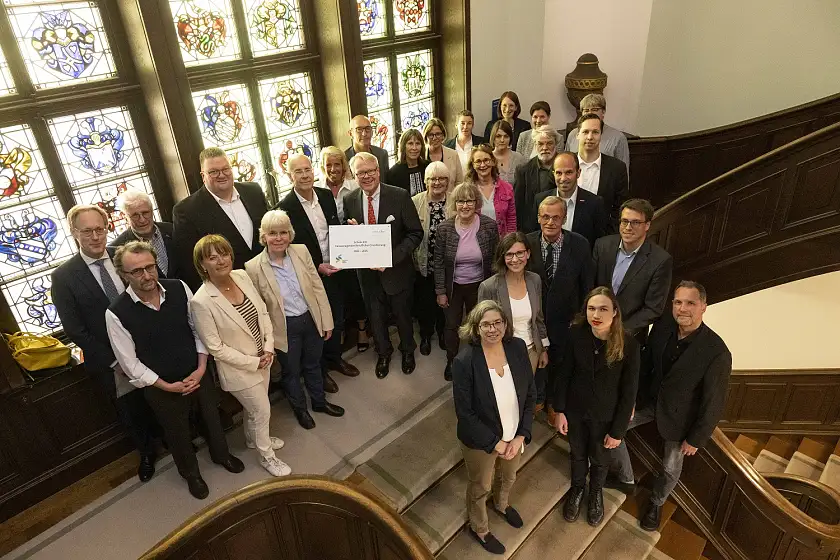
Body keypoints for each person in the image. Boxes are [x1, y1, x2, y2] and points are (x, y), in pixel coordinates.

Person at [104, 241, 244, 500]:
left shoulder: (179, 288)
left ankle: (222, 455)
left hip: (197, 372)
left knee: (211, 418)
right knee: (176, 433)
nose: (146, 275)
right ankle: (191, 474)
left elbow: (199, 329)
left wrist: (202, 367)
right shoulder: (116, 313)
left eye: (150, 267)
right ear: (123, 275)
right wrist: (166, 386)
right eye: (137, 271)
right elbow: (129, 363)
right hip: (161, 387)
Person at [609, 281, 731, 532]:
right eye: (678, 302)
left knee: (670, 467)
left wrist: (696, 438)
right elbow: (645, 365)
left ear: (703, 307)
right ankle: (627, 478)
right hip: (649, 401)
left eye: (690, 303)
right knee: (613, 428)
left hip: (682, 418)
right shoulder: (663, 326)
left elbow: (714, 401)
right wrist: (630, 400)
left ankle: (656, 502)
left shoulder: (717, 352)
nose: (682, 308)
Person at [52, 205, 159, 483]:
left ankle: (173, 439)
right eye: (87, 231)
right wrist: (116, 360)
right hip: (109, 360)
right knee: (131, 410)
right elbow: (75, 329)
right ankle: (146, 453)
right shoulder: (64, 277)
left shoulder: (122, 256)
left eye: (100, 229)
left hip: (147, 346)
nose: (96, 236)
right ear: (74, 232)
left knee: (158, 397)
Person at [190, 235, 291, 478]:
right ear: (203, 264)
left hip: (263, 358)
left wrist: (268, 346)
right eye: (212, 257)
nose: (220, 260)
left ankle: (251, 439)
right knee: (261, 410)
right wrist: (254, 361)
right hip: (240, 370)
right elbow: (216, 348)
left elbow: (262, 312)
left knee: (254, 409)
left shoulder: (242, 276)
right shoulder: (201, 301)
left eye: (223, 254)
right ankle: (267, 456)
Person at [245, 210, 345, 430]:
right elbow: (259, 309)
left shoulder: (301, 251)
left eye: (283, 232)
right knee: (291, 372)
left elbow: (317, 286)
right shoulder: (252, 267)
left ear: (290, 234)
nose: (279, 238)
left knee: (314, 364)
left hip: (311, 319)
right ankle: (300, 410)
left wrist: (326, 320)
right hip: (284, 328)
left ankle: (319, 402)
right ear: (264, 236)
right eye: (273, 233)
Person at [452, 300, 536, 556]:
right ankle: (479, 528)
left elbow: (530, 395)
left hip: (514, 434)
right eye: (485, 324)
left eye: (498, 322)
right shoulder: (465, 361)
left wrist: (521, 434)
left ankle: (501, 504)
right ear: (475, 328)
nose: (492, 329)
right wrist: (496, 444)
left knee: (508, 477)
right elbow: (465, 414)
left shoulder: (518, 347)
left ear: (506, 324)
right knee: (480, 487)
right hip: (481, 440)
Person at [553, 287, 639, 526]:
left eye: (603, 308)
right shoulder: (576, 334)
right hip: (576, 411)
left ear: (615, 313)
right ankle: (578, 488)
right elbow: (564, 374)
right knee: (578, 454)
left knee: (600, 459)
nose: (596, 314)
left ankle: (595, 493)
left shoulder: (629, 344)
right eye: (591, 308)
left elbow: (629, 392)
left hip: (606, 417)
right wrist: (559, 410)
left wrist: (618, 431)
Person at [277, 153, 360, 390]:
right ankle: (320, 370)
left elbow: (331, 230)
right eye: (298, 171)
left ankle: (335, 359)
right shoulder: (285, 208)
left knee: (337, 318)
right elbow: (287, 250)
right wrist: (316, 266)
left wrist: (350, 231)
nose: (304, 175)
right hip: (310, 275)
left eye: (307, 169)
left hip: (335, 269)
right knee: (317, 325)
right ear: (289, 175)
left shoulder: (324, 195)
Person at [343, 152, 424, 378]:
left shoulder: (399, 196)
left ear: (378, 171)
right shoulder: (349, 199)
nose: (366, 176)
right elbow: (347, 234)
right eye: (361, 173)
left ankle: (408, 350)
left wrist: (390, 258)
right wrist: (351, 233)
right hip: (367, 276)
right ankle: (383, 353)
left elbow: (416, 233)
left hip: (397, 272)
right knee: (375, 317)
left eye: (370, 171)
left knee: (403, 317)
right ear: (354, 175)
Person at [526, 196, 594, 418]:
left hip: (566, 320)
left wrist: (581, 320)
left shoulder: (580, 245)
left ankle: (554, 402)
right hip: (535, 320)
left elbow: (587, 286)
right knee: (537, 361)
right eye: (545, 216)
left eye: (556, 217)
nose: (550, 222)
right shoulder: (527, 243)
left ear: (564, 218)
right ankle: (538, 398)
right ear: (538, 217)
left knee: (561, 363)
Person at [173, 147, 269, 290]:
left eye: (225, 169)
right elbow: (191, 264)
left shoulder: (253, 191)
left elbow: (269, 231)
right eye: (213, 172)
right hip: (228, 288)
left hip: (268, 277)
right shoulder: (186, 211)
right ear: (203, 175)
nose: (221, 175)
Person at [435, 182, 499, 380]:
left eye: (469, 201)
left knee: (479, 324)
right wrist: (440, 291)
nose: (465, 206)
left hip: (480, 285)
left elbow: (497, 258)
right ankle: (452, 360)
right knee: (451, 324)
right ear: (455, 203)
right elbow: (438, 262)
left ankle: (478, 359)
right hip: (453, 286)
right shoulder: (444, 229)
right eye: (461, 201)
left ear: (476, 203)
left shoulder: (489, 226)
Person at [593, 199, 673, 345]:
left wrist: (618, 331)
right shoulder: (602, 245)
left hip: (628, 338)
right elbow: (591, 287)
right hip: (594, 330)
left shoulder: (660, 260)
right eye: (624, 221)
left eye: (635, 222)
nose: (628, 227)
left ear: (647, 225)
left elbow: (653, 308)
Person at [319, 146, 370, 354]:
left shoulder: (353, 187)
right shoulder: (316, 190)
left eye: (337, 164)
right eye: (328, 165)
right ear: (323, 167)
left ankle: (362, 329)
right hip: (328, 251)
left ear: (344, 166)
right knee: (334, 295)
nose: (333, 169)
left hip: (353, 248)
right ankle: (337, 330)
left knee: (356, 291)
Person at [478, 232, 549, 374]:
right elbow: (481, 327)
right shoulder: (489, 287)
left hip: (531, 351)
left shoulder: (535, 280)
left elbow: (538, 318)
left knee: (526, 394)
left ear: (528, 254)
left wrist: (543, 349)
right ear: (502, 257)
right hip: (502, 353)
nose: (515, 259)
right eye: (509, 254)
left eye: (520, 253)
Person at [412, 162, 450, 356]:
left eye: (442, 178)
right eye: (432, 179)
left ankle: (443, 333)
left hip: (448, 265)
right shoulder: (415, 201)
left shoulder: (454, 201)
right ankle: (426, 334)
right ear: (426, 181)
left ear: (448, 181)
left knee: (444, 302)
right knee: (425, 302)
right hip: (423, 262)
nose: (437, 182)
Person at [531, 152, 608, 246]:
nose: (563, 178)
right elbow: (534, 235)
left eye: (568, 172)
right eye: (559, 173)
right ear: (553, 174)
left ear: (578, 173)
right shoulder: (540, 199)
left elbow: (598, 242)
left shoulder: (594, 203)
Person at [574, 113, 629, 232]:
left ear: (601, 135)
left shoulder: (617, 168)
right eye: (585, 132)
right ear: (577, 135)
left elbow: (620, 208)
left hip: (602, 236)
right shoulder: (564, 163)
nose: (590, 137)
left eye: (595, 132)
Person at [110, 190, 178, 279]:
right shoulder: (118, 247)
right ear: (125, 216)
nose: (142, 220)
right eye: (135, 215)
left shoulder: (172, 230)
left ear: (152, 210)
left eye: (145, 213)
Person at [512, 125, 562, 232]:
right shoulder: (523, 171)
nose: (545, 148)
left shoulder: (565, 167)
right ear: (535, 145)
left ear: (556, 144)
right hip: (532, 230)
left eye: (549, 143)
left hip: (561, 226)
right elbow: (518, 206)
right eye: (540, 144)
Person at [566, 93, 630, 173]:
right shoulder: (572, 135)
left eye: (594, 110)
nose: (590, 113)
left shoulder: (618, 138)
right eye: (586, 110)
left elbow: (623, 171)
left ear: (603, 112)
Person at [466, 144, 517, 236]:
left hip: (500, 243)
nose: (483, 165)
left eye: (486, 160)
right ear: (473, 165)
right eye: (478, 161)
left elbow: (511, 220)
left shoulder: (507, 188)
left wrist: (510, 243)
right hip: (475, 243)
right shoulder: (467, 190)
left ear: (493, 161)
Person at [386, 128, 429, 196]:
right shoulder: (393, 173)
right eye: (410, 143)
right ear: (403, 146)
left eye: (417, 143)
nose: (414, 148)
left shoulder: (428, 167)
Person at [423, 117, 464, 185]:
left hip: (450, 195)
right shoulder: (421, 155)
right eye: (431, 135)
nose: (435, 138)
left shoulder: (453, 154)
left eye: (438, 134)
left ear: (443, 135)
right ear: (426, 137)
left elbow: (459, 182)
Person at [490, 120, 528, 185]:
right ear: (493, 137)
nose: (502, 140)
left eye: (506, 136)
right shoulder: (488, 158)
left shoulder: (519, 158)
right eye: (498, 136)